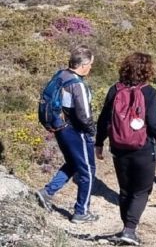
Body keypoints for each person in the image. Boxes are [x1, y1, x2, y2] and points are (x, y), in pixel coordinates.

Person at [95, 53, 156, 245]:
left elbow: (104, 119)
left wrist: (99, 143)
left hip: (118, 148)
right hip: (144, 149)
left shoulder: (115, 89)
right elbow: (154, 125)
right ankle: (129, 230)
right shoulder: (150, 92)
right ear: (147, 71)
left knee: (125, 190)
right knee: (141, 190)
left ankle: (126, 229)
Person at [36, 45, 99, 224]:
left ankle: (47, 192)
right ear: (83, 64)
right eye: (91, 64)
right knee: (87, 170)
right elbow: (84, 115)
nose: (91, 68)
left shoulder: (60, 76)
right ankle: (81, 211)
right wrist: (91, 132)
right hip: (76, 131)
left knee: (72, 163)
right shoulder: (77, 84)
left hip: (60, 128)